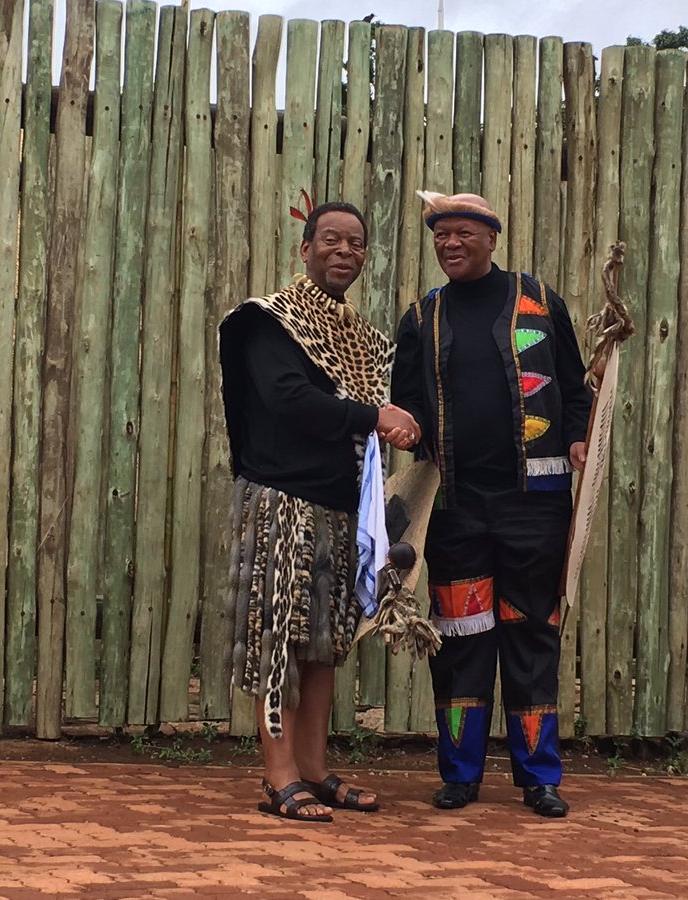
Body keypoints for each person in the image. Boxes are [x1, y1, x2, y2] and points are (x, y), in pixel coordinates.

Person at [390, 191, 592, 817]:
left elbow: (576, 386)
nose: (450, 244)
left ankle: (539, 779)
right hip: (455, 508)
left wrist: (580, 435)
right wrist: (404, 428)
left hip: (536, 504)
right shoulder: (421, 318)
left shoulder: (540, 303)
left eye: (463, 233)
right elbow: (405, 402)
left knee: (532, 634)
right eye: (440, 235)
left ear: (491, 238)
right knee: (461, 638)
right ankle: (460, 775)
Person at [218, 201, 421, 821]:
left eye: (356, 243)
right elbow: (288, 400)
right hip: (281, 501)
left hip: (339, 508)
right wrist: (374, 416)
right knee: (278, 638)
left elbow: (389, 407)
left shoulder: (361, 342)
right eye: (331, 239)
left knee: (326, 645)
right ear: (305, 249)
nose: (344, 251)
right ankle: (278, 776)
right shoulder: (266, 321)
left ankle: (312, 767)